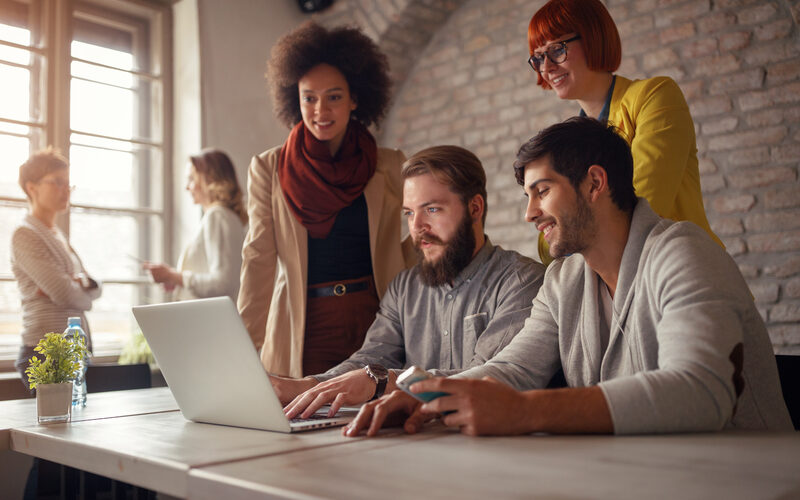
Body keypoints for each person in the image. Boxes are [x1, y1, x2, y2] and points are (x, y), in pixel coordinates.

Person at [344, 117, 793, 437]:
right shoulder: (563, 280)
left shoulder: (683, 252)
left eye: (542, 191)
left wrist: (526, 411)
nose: (529, 213)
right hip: (642, 476)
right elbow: (513, 369)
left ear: (594, 184)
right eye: (527, 195)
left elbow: (700, 391)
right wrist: (430, 393)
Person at [270, 146, 545, 419]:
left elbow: (489, 376)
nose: (417, 227)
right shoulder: (404, 287)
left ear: (475, 208)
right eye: (409, 213)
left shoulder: (521, 282)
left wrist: (382, 380)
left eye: (432, 209)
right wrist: (307, 386)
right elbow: (371, 359)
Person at [238, 22, 413, 378]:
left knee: (377, 424)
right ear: (294, 98)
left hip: (377, 320)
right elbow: (258, 259)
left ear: (355, 99)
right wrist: (241, 348)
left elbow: (415, 242)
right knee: (302, 424)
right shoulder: (268, 168)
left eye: (334, 96)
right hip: (302, 326)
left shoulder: (391, 164)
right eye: (309, 97)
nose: (321, 110)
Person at [526, 0, 722, 264]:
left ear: (594, 39)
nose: (546, 67)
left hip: (684, 271)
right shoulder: (565, 144)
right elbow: (550, 245)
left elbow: (639, 207)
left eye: (557, 50)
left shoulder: (654, 96)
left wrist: (570, 228)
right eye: (538, 57)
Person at [11, 148, 101, 386]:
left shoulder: (58, 235)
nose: (65, 191)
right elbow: (63, 293)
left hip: (74, 350)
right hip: (45, 352)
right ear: (32, 187)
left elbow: (94, 286)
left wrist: (78, 283)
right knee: (56, 422)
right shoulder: (25, 234)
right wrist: (79, 290)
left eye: (68, 184)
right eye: (57, 183)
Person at [144, 149, 247, 302]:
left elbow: (223, 284)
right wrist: (175, 280)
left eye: (191, 179)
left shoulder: (217, 216)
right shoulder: (226, 217)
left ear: (210, 179)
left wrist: (173, 276)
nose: (187, 187)